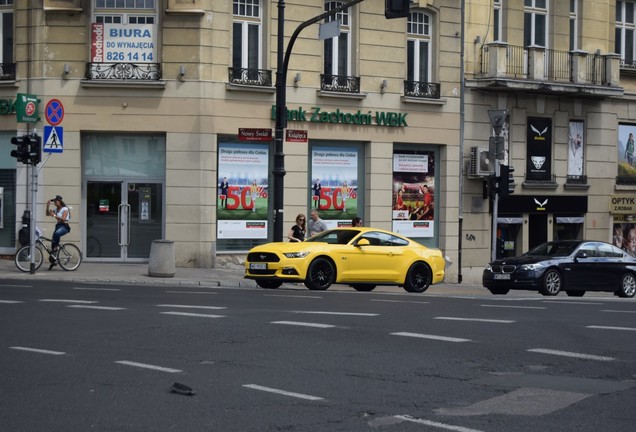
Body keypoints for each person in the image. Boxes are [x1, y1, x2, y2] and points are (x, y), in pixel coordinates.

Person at [45, 195, 71, 269]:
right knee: (53, 243)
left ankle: (56, 249)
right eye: (54, 202)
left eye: (56, 201)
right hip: (58, 226)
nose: (55, 203)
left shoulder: (65, 209)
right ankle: (53, 260)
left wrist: (54, 216)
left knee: (57, 234)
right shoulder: (56, 210)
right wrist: (47, 206)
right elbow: (47, 214)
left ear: (59, 202)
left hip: (64, 226)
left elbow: (63, 219)